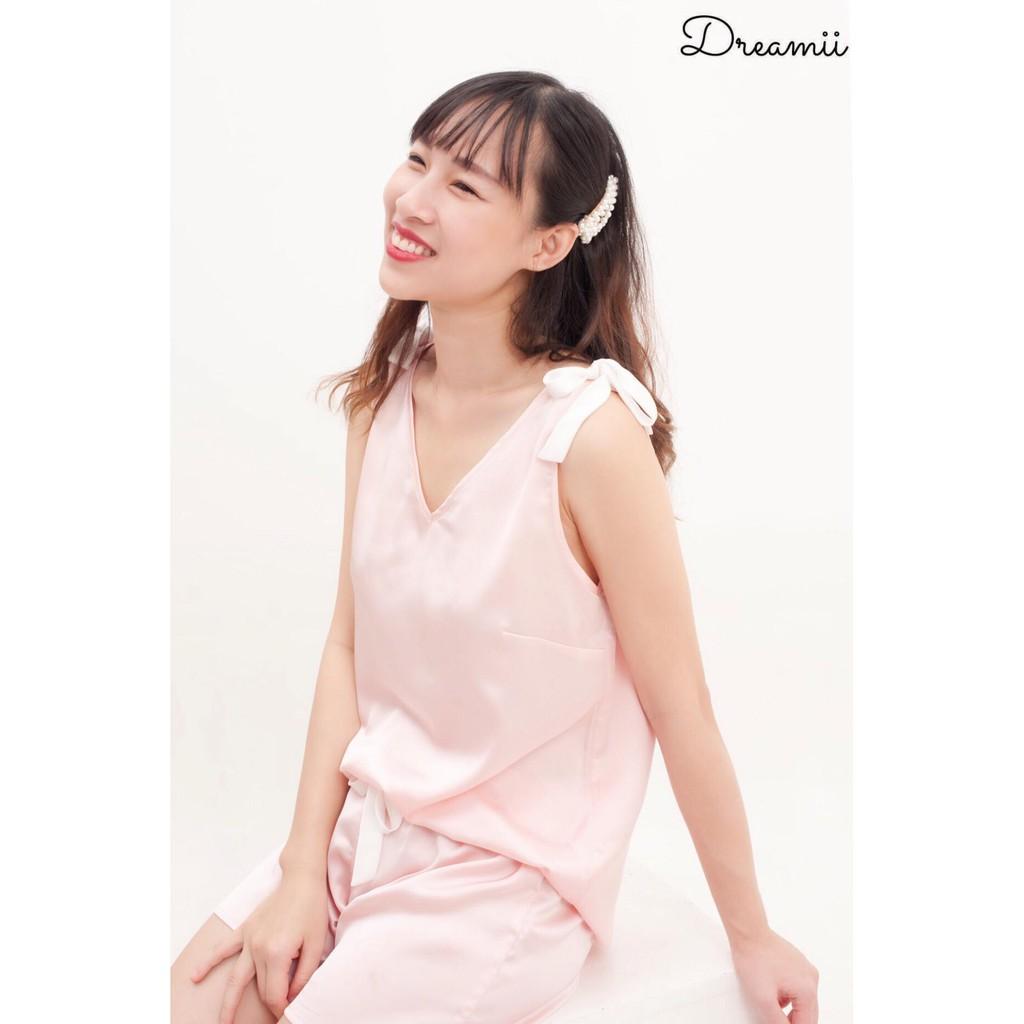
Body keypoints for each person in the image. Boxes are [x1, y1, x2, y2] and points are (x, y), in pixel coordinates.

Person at [171, 70, 820, 1024]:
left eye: (465, 186)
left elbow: (680, 706)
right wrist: (303, 869)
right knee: (188, 999)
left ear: (549, 243)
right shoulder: (385, 397)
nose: (413, 199)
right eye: (417, 160)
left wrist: (753, 934)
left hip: (504, 881)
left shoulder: (591, 439)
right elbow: (349, 645)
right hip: (372, 829)